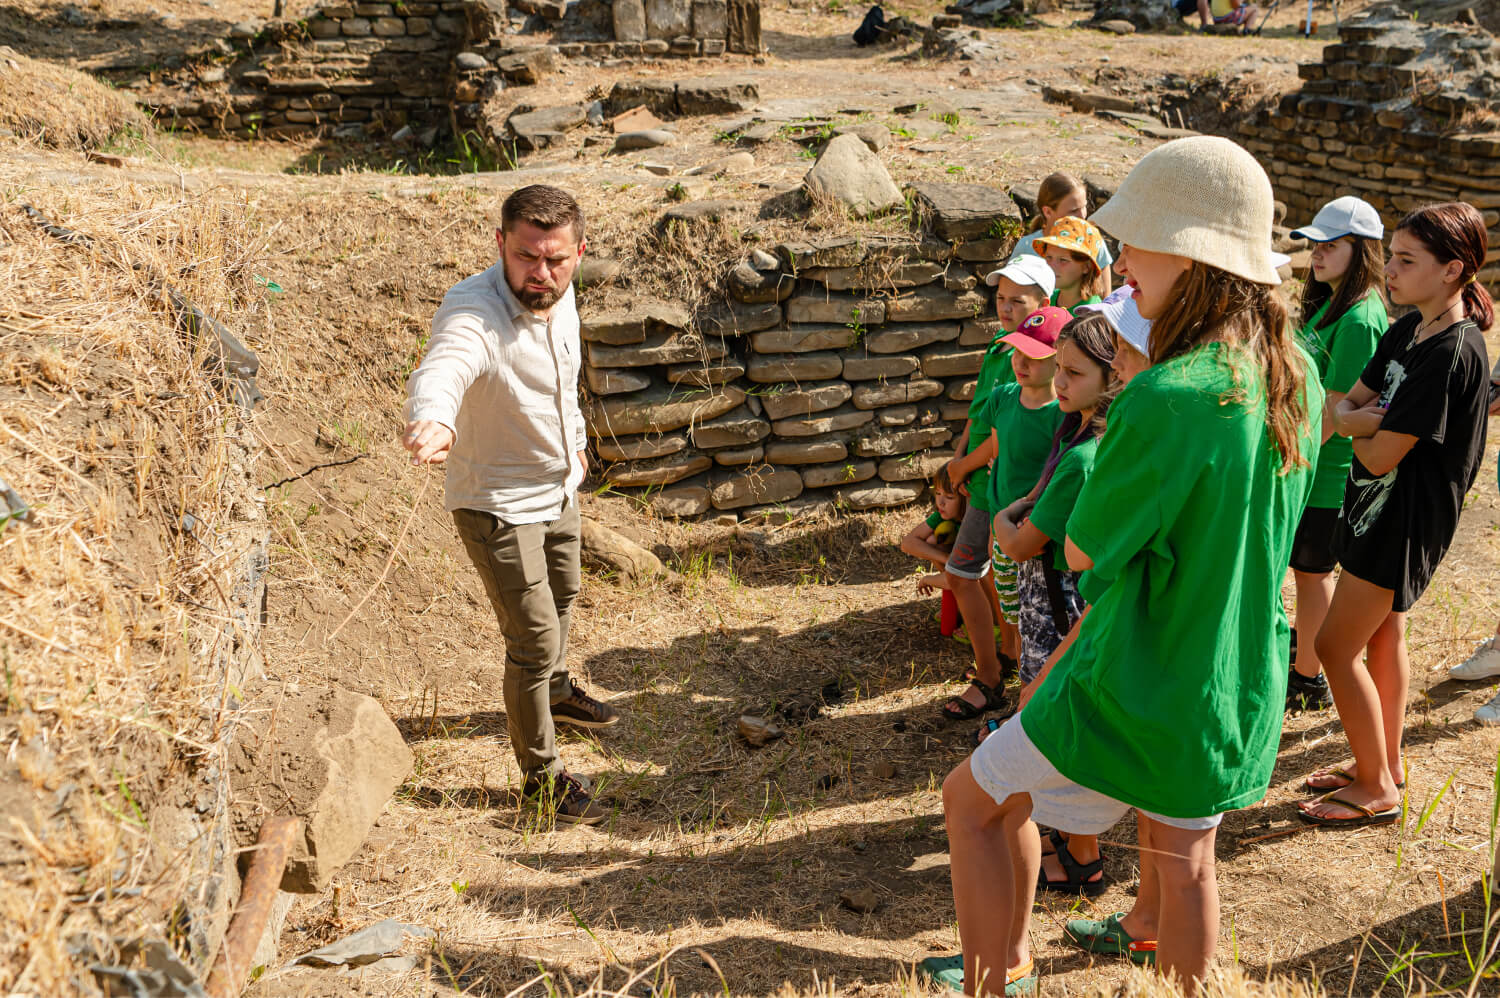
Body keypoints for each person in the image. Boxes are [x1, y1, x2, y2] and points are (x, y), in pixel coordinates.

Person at [937, 136, 1321, 997]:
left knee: (972, 803)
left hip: (1139, 671)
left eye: (1137, 243)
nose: (1124, 263)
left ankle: (989, 983)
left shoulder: (1169, 393)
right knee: (1185, 860)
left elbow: (1083, 547)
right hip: (1226, 671)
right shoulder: (1290, 369)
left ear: (1188, 256)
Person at [402, 184, 619, 827]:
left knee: (567, 593)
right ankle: (543, 778)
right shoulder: (475, 308)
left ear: (580, 252)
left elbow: (565, 375)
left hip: (556, 486)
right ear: (500, 244)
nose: (540, 275)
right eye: (526, 257)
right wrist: (434, 417)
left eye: (555, 260)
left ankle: (554, 692)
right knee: (533, 639)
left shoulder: (559, 290)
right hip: (496, 502)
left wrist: (576, 446)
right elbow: (446, 363)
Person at [1300, 202, 1493, 826]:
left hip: (1404, 520)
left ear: (1453, 270)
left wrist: (1353, 424)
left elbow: (1380, 454)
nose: (1393, 270)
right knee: (1383, 635)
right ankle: (1382, 763)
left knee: (1332, 645)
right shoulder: (1407, 329)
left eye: (1409, 261)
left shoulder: (1452, 352)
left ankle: (1377, 788)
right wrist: (1357, 420)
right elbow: (1343, 405)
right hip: (1368, 508)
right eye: (1395, 256)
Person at [991, 312, 1117, 900]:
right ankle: (1076, 850)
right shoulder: (1090, 440)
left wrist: (1001, 515)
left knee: (1044, 722)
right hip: (1058, 598)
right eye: (1058, 369)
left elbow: (1018, 538)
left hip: (1056, 605)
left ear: (1111, 378)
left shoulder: (1080, 457)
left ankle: (1069, 855)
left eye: (1073, 372)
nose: (1059, 383)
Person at [1283, 197, 1390, 715]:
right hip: (1309, 461)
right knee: (1306, 571)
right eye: (1315, 243)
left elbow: (1335, 407)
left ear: (1361, 249)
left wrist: (1290, 461)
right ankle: (1305, 656)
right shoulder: (1332, 301)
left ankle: (1308, 677)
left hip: (1325, 471)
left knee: (1312, 570)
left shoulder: (1361, 317)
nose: (1317, 253)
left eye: (1330, 244)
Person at [942, 256, 1055, 719]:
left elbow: (1000, 441)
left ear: (1043, 303)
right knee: (992, 586)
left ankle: (998, 677)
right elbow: (981, 415)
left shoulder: (1040, 360)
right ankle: (998, 668)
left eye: (1018, 301)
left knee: (986, 585)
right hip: (986, 489)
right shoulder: (1003, 349)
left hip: (1009, 501)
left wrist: (961, 466)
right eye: (1000, 298)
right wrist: (959, 462)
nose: (1005, 308)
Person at [1011, 172, 1114, 292]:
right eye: (1074, 210)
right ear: (1048, 212)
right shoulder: (1027, 247)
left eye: (1084, 207)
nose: (1082, 216)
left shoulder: (1093, 241)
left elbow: (1107, 298)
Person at [902, 467, 966, 635]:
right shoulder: (943, 514)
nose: (941, 502)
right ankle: (957, 605)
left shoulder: (972, 521)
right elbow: (908, 543)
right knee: (931, 541)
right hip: (957, 570)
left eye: (950, 497)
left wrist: (928, 579)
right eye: (938, 494)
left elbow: (957, 578)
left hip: (979, 578)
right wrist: (945, 558)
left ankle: (980, 620)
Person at [1035, 216, 1108, 314]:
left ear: (1086, 267)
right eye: (1048, 257)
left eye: (1063, 260)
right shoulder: (1047, 301)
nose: (1051, 266)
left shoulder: (1091, 314)